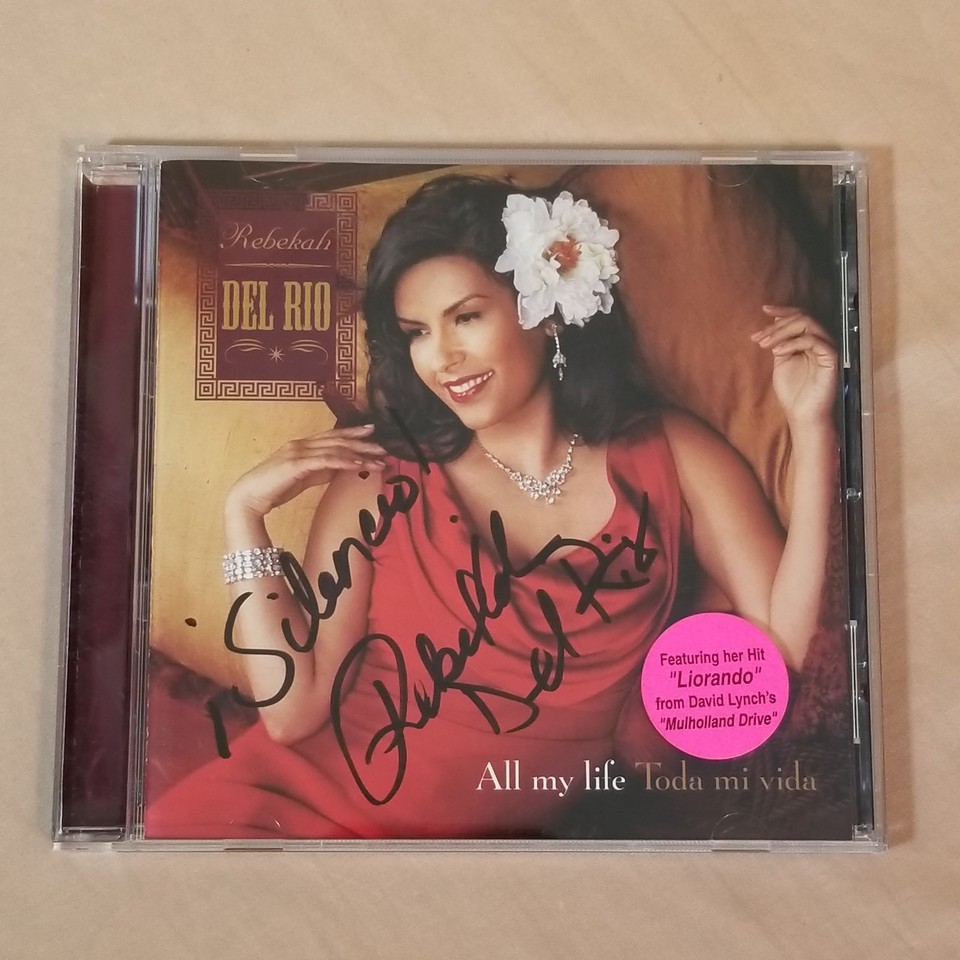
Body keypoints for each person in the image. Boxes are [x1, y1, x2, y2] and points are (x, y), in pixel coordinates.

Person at [147, 175, 839, 840]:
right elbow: (292, 714)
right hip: (283, 818)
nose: (441, 357)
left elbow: (784, 642)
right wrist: (244, 517)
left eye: (466, 318)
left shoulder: (673, 456)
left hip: (464, 875)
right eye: (416, 332)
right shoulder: (377, 481)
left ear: (546, 312)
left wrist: (810, 427)